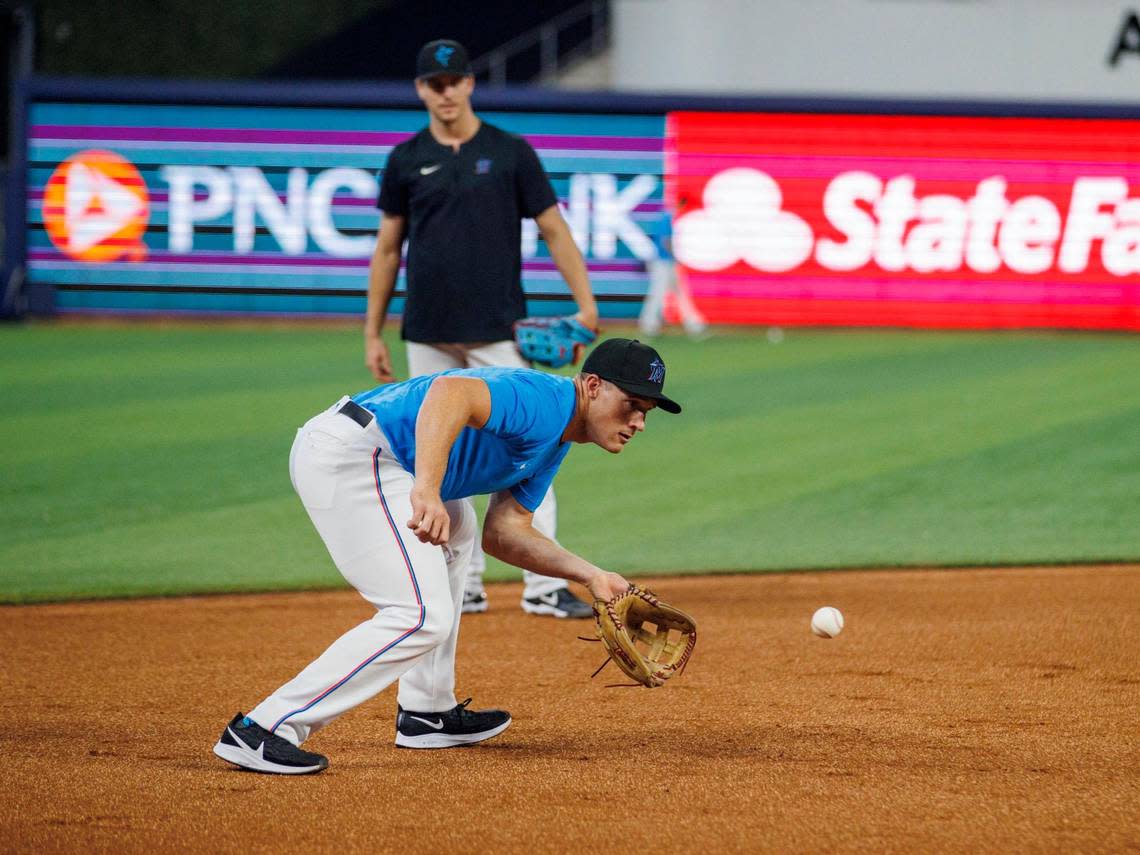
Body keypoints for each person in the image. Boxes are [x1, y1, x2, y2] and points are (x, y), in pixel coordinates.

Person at [212, 338, 682, 775]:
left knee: (462, 531)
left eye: (647, 412)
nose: (639, 422)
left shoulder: (558, 437)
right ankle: (265, 728)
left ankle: (427, 711)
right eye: (632, 406)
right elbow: (451, 392)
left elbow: (506, 532)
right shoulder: (545, 401)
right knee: (419, 615)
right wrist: (428, 489)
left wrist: (591, 575)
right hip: (358, 454)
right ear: (593, 386)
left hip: (390, 457)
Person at [363, 38, 600, 620]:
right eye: (433, 84)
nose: (445, 92)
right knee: (435, 452)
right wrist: (372, 331)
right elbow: (388, 249)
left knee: (531, 448)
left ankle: (543, 587)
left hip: (497, 327)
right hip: (428, 328)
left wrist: (586, 304)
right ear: (421, 89)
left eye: (454, 82)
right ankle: (460, 583)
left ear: (469, 83)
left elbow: (554, 230)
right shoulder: (405, 159)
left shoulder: (511, 152)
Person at [638, 207, 708, 338]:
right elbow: (666, 242)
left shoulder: (666, 217)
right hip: (664, 262)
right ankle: (649, 325)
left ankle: (693, 324)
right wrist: (676, 258)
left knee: (678, 292)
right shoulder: (667, 218)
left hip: (664, 261)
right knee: (660, 293)